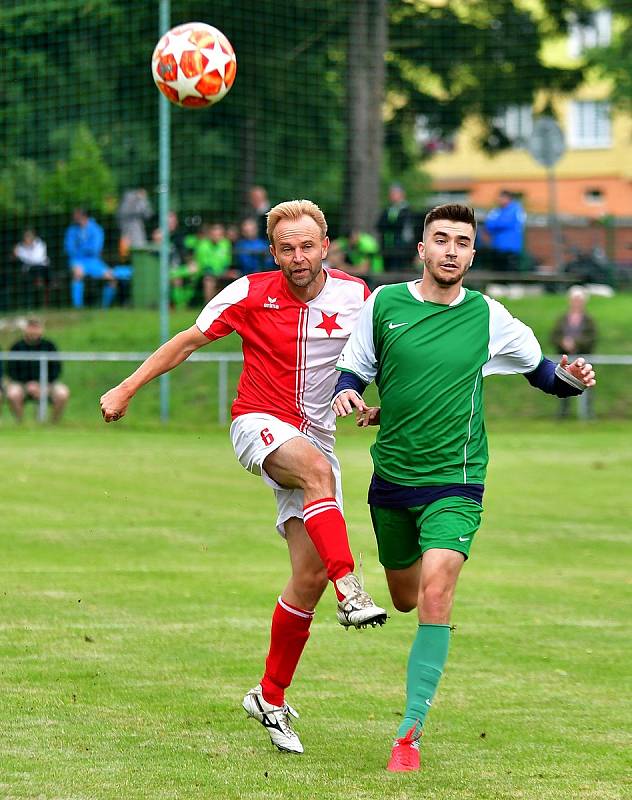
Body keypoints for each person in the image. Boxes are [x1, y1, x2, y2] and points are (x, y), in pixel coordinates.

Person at [99, 198, 387, 755]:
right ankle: (350, 586)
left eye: (307, 246)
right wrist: (127, 387)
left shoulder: (360, 297)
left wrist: (379, 405)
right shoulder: (249, 292)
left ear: (325, 246)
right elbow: (187, 340)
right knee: (317, 474)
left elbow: (384, 358)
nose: (298, 257)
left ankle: (270, 696)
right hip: (260, 422)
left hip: (320, 434)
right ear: (272, 251)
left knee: (307, 576)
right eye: (286, 248)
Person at [332, 203, 596, 773]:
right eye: (441, 239)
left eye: (462, 242)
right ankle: (404, 602)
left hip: (458, 478)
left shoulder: (489, 316)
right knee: (404, 595)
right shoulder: (385, 304)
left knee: (436, 590)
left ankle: (408, 734)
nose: (451, 249)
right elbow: (354, 368)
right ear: (421, 249)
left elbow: (545, 373)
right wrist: (348, 392)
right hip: (394, 478)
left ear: (474, 254)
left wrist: (572, 381)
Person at [64, 208, 131, 309]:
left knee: (111, 278)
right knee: (78, 273)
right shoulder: (71, 230)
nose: (74, 218)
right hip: (77, 260)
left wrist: (81, 248)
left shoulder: (96, 229)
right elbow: (69, 249)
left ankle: (104, 308)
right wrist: (84, 249)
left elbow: (96, 249)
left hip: (93, 261)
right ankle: (78, 307)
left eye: (76, 215)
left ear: (83, 216)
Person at [6, 318, 70, 423]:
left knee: (62, 393)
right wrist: (28, 384)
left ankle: (53, 424)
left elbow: (56, 369)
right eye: (31, 328)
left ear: (41, 329)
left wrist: (44, 385)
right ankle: (21, 424)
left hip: (48, 384)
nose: (34, 331)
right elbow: (11, 370)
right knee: (13, 394)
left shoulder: (49, 346)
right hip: (22, 384)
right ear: (25, 329)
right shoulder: (17, 346)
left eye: (36, 328)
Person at [551, 285, 598, 419]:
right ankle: (563, 415)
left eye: (579, 300)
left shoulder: (589, 320)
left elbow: (592, 338)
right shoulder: (562, 319)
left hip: (583, 360)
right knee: (562, 386)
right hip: (565, 361)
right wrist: (563, 342)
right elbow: (554, 336)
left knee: (587, 386)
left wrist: (575, 343)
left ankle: (588, 415)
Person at [483, 189, 526, 272]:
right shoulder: (497, 210)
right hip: (497, 247)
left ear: (508, 198)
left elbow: (507, 222)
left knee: (510, 271)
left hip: (511, 247)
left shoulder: (516, 209)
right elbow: (489, 224)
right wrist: (498, 223)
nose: (500, 200)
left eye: (502, 198)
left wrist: (497, 224)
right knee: (498, 270)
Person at [377, 184, 415, 271]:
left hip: (402, 247)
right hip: (387, 245)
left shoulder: (407, 210)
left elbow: (405, 228)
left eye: (395, 193)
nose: (392, 196)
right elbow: (380, 225)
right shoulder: (387, 210)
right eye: (391, 193)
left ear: (402, 194)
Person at [13, 229, 51, 309]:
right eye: (26, 237)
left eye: (29, 237)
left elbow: (38, 259)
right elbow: (17, 256)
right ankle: (36, 285)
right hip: (29, 271)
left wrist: (23, 256)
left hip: (42, 268)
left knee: (38, 269)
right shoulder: (20, 246)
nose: (27, 239)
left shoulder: (40, 244)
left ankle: (38, 282)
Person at [117, 188, 153, 258]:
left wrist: (144, 201)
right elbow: (123, 213)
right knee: (126, 255)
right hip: (127, 235)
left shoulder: (142, 200)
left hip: (138, 234)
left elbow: (148, 214)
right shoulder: (128, 197)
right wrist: (136, 198)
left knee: (140, 253)